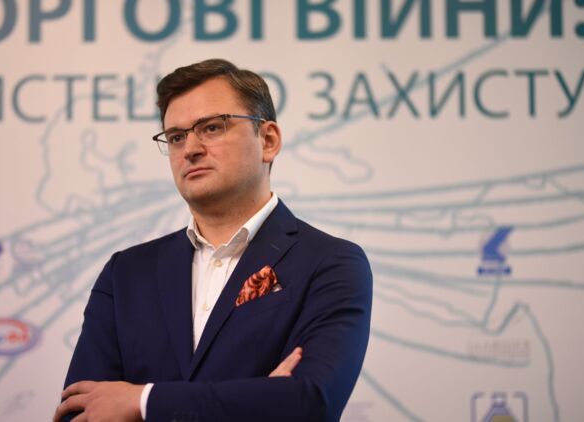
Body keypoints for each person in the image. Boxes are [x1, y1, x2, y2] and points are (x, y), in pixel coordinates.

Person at [54, 59, 372, 422]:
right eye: (176, 136)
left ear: (268, 141)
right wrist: (259, 400)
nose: (190, 148)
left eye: (212, 127)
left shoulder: (330, 263)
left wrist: (142, 401)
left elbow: (308, 402)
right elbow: (79, 412)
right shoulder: (125, 273)